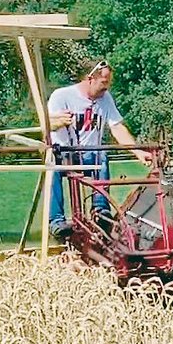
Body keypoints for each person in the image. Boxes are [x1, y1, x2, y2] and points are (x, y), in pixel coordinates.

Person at [46, 59, 149, 236]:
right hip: (62, 153)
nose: (106, 87)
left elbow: (117, 127)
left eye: (108, 83)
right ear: (90, 79)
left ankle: (100, 211)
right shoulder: (61, 96)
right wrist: (55, 123)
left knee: (101, 155)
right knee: (51, 167)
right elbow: (45, 124)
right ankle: (56, 221)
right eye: (104, 82)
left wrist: (138, 152)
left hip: (89, 153)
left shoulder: (105, 99)